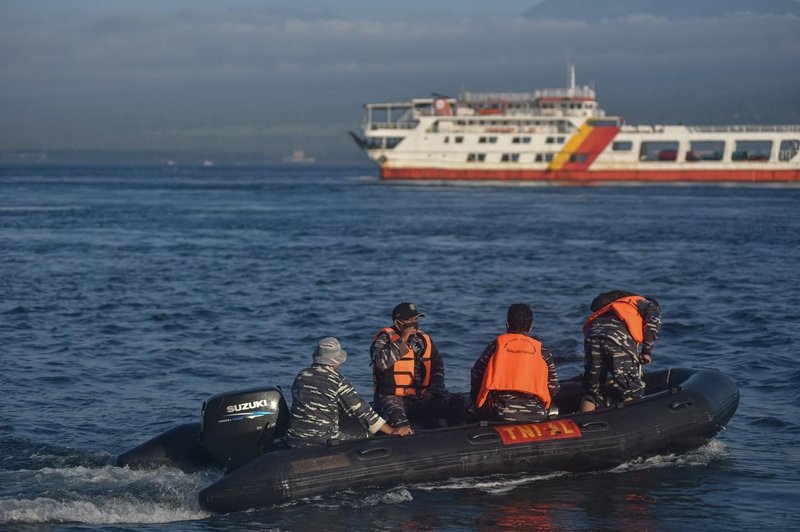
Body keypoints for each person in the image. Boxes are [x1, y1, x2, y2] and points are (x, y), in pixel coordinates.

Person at [286, 337, 412, 448]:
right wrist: (391, 431)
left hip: (295, 439)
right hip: (323, 440)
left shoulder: (301, 376)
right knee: (368, 437)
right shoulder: (336, 380)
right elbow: (360, 409)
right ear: (336, 361)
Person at [370, 302, 467, 429]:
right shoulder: (384, 339)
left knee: (459, 402)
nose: (414, 323)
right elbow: (380, 363)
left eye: (415, 319)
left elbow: (437, 368)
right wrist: (402, 341)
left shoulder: (423, 339)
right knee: (400, 423)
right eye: (409, 320)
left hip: (422, 397)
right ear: (398, 322)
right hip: (393, 397)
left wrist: (433, 392)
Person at [470, 303, 560, 422]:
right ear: (531, 327)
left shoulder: (495, 347)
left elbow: (476, 375)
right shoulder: (543, 352)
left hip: (500, 412)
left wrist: (477, 402)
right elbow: (553, 387)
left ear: (507, 324)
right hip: (536, 413)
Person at [580, 290, 661, 412]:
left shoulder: (619, 304)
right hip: (617, 337)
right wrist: (646, 351)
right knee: (631, 390)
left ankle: (584, 423)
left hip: (592, 335)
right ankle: (631, 424)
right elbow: (651, 326)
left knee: (593, 391)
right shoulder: (649, 305)